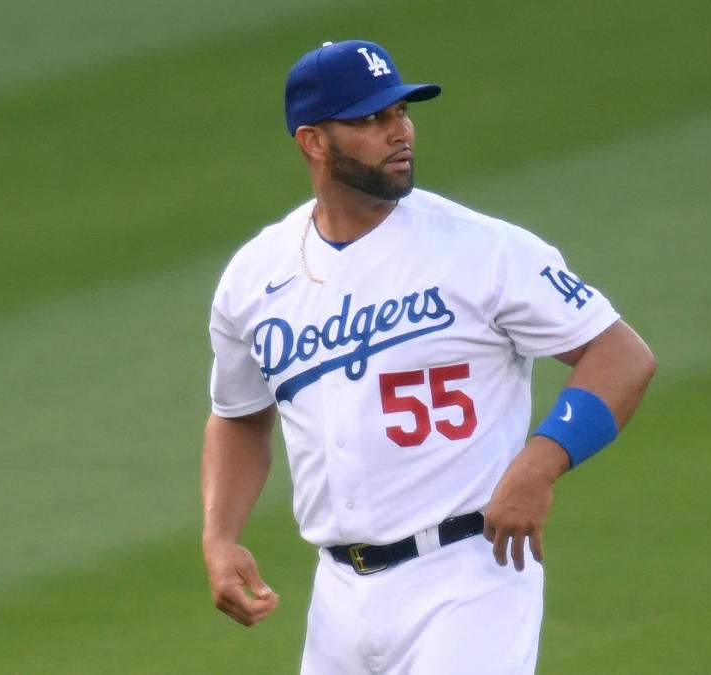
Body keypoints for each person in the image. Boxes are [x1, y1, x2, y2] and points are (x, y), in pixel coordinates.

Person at [201, 39, 656, 674]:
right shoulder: (256, 276)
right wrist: (220, 535)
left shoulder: (482, 250)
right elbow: (239, 414)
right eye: (369, 119)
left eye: (401, 112)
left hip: (469, 577)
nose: (398, 132)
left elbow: (621, 355)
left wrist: (539, 465)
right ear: (312, 142)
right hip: (337, 596)